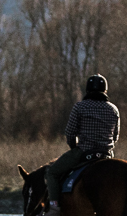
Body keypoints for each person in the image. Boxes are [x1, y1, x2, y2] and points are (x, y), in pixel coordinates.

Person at [41, 74, 119, 207]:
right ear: (105, 90)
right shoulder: (113, 109)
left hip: (84, 151)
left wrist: (74, 147)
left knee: (52, 173)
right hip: (106, 155)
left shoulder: (80, 107)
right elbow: (115, 137)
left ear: (87, 90)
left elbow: (70, 133)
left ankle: (54, 209)